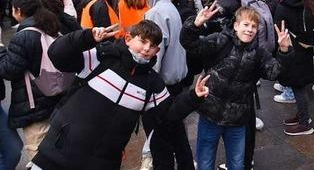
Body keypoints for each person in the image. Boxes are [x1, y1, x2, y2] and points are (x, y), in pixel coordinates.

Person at [30, 22, 209, 170]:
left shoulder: (153, 84)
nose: (147, 48)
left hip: (103, 163)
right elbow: (57, 55)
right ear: (128, 39)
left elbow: (167, 115)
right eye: (143, 41)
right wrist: (86, 37)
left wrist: (193, 97)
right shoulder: (101, 57)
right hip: (56, 154)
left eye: (153, 46)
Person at [180, 6, 293, 170]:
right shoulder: (220, 40)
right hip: (210, 115)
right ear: (236, 26)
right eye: (246, 25)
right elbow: (189, 43)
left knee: (237, 165)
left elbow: (275, 73)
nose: (250, 30)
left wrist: (284, 50)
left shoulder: (258, 53)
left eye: (254, 26)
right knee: (205, 163)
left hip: (238, 120)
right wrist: (195, 25)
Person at [0, 0, 66, 165]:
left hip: (33, 104)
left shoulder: (23, 36)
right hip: (54, 96)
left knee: (38, 153)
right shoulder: (49, 25)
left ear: (18, 11)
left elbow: (8, 70)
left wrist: (0, 48)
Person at [139, 0, 192, 170]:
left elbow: (153, 56)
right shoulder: (168, 7)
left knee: (160, 144)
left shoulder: (155, 13)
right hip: (173, 85)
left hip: (160, 90)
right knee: (178, 137)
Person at [273, 0, 314, 136]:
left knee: (298, 86)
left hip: (292, 49)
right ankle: (302, 115)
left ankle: (304, 123)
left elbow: (279, 29)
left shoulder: (284, 3)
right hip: (305, 47)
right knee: (300, 85)